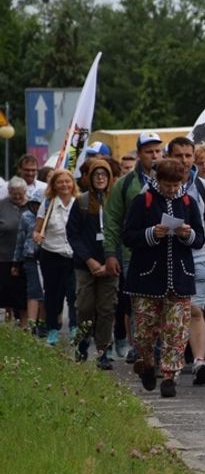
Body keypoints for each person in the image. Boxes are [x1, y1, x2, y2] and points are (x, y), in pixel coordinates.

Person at [122, 158, 205, 398]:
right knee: (145, 332)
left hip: (180, 277)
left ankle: (170, 376)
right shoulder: (143, 201)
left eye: (175, 184)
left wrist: (187, 234)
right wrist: (151, 233)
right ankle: (147, 363)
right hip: (147, 278)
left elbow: (200, 238)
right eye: (166, 184)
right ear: (157, 180)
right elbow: (128, 236)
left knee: (176, 330)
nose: (171, 189)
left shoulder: (188, 203)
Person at [104, 132, 165, 361]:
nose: (154, 156)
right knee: (139, 302)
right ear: (139, 155)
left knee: (164, 301)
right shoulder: (126, 183)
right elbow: (112, 220)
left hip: (165, 253)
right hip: (134, 254)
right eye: (149, 152)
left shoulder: (171, 178)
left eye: (158, 151)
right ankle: (142, 347)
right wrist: (110, 253)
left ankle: (159, 349)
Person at [167, 137, 205, 386]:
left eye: (189, 156)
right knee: (172, 313)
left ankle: (199, 361)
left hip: (198, 257)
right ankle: (172, 360)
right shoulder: (154, 188)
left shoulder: (203, 188)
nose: (185, 161)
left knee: (195, 309)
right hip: (167, 258)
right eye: (179, 156)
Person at [66, 158, 118, 369]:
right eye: (96, 174)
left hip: (110, 264)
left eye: (104, 175)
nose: (100, 178)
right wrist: (89, 260)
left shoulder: (115, 201)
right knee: (85, 306)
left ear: (110, 178)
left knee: (106, 309)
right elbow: (73, 234)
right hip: (86, 265)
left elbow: (121, 231)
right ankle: (83, 342)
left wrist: (109, 262)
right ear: (89, 177)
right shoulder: (81, 202)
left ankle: (103, 350)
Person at [33, 169, 79, 346]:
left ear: (73, 184)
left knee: (74, 294)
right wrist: (37, 236)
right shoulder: (47, 203)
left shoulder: (78, 203)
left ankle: (75, 327)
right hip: (51, 254)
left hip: (74, 255)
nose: (64, 185)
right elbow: (37, 230)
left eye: (68, 181)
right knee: (53, 294)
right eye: (60, 182)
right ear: (54, 185)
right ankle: (52, 329)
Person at [13, 186, 43, 334]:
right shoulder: (26, 217)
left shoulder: (49, 217)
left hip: (48, 256)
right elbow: (20, 240)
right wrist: (16, 262)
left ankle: (45, 323)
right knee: (33, 291)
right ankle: (31, 325)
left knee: (47, 291)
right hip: (30, 257)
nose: (38, 207)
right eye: (35, 204)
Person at [0, 178, 29, 324]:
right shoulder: (2, 205)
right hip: (5, 256)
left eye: (20, 194)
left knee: (23, 293)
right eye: (14, 194)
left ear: (25, 192)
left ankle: (24, 322)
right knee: (7, 292)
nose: (17, 197)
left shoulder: (31, 206)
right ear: (9, 192)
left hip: (26, 257)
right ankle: (8, 319)